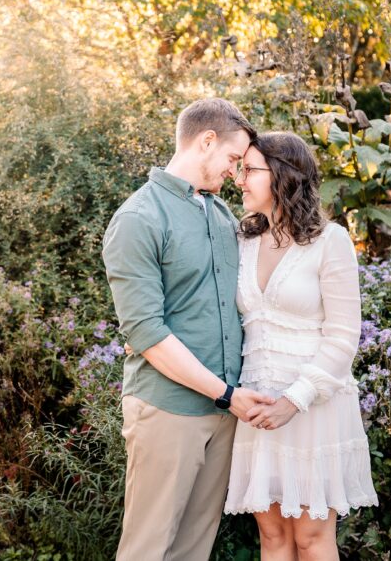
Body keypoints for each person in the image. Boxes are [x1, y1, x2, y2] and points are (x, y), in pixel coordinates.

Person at [102, 97, 277, 561]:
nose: (236, 173)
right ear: (205, 141)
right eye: (233, 160)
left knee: (193, 550)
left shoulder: (220, 215)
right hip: (169, 410)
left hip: (224, 413)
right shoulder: (139, 219)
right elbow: (147, 334)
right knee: (148, 548)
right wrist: (224, 393)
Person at [223, 131, 378, 561]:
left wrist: (293, 400)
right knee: (272, 539)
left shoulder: (330, 242)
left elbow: (345, 336)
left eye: (250, 170)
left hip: (313, 406)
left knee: (311, 539)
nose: (240, 179)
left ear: (283, 176)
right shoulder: (243, 240)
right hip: (257, 406)